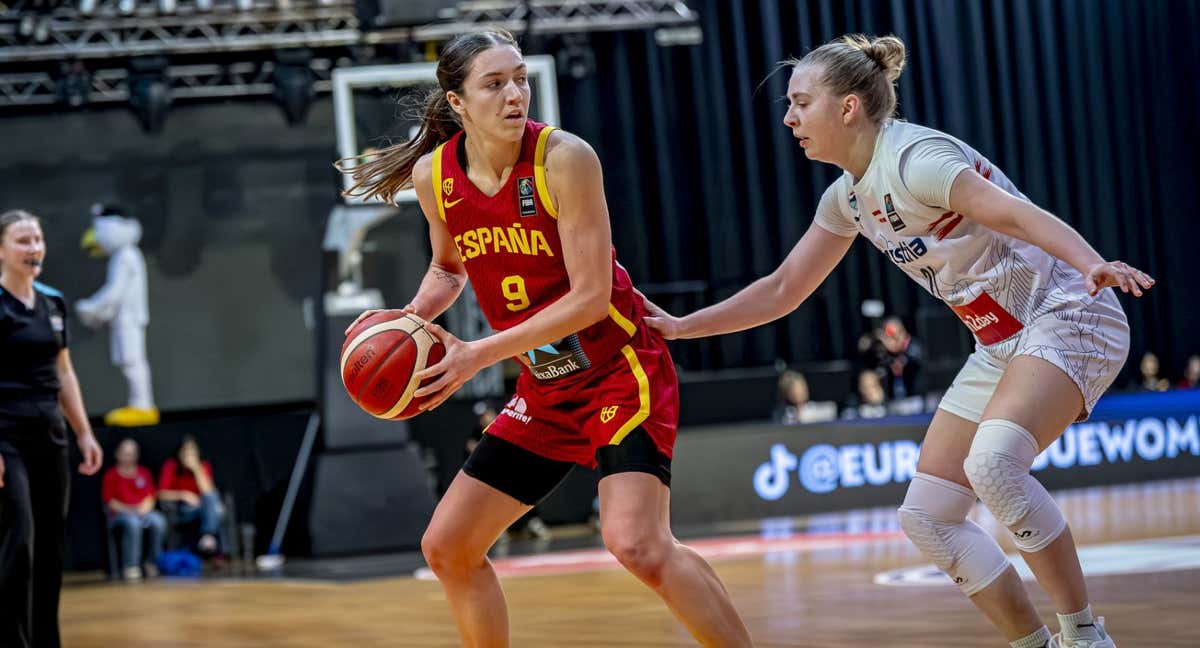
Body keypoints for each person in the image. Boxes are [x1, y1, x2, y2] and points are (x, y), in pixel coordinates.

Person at [642, 34, 1154, 648]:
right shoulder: (849, 198)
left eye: (801, 102)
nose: (789, 117)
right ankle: (1034, 644)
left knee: (993, 464)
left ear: (849, 107)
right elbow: (782, 289)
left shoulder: (917, 161)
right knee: (928, 517)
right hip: (1000, 343)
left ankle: (1085, 636)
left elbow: (1017, 213)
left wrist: (1092, 261)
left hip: (1070, 312)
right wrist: (681, 326)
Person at [337, 30, 753, 647]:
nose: (515, 94)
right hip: (546, 385)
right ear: (457, 102)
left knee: (637, 544)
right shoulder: (435, 178)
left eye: (520, 78)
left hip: (619, 368)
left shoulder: (565, 158)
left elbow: (589, 298)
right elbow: (449, 269)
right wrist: (410, 321)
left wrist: (478, 354)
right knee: (449, 547)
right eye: (494, 83)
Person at [0, 209, 104, 648]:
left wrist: (83, 432)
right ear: (1, 250)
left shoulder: (53, 303)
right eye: (23, 241)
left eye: (38, 239)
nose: (34, 249)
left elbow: (65, 373)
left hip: (50, 432)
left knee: (49, 548)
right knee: (19, 540)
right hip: (6, 434)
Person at [101, 438, 167, 579]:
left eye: (131, 453)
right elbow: (109, 501)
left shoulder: (144, 472)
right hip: (119, 515)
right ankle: (131, 566)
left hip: (142, 512)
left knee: (158, 521)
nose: (128, 457)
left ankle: (152, 563)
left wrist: (145, 508)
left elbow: (151, 496)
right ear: (117, 454)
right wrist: (130, 510)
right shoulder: (111, 475)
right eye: (125, 453)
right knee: (133, 523)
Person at [157, 435, 225, 556]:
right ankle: (210, 540)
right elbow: (161, 494)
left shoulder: (203, 466)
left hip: (203, 508)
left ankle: (208, 536)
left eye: (192, 452)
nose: (188, 455)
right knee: (217, 510)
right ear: (179, 453)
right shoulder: (171, 466)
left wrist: (196, 469)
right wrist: (184, 495)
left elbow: (208, 492)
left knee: (213, 498)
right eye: (185, 451)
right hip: (183, 510)